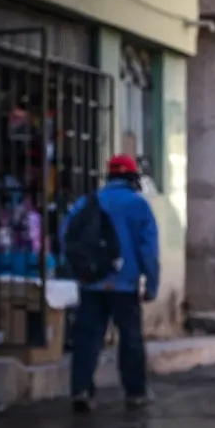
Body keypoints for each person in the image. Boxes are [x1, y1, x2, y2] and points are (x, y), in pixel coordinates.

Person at [66, 154, 159, 412]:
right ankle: (135, 392)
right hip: (124, 285)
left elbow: (68, 237)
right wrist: (151, 285)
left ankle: (81, 390)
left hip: (92, 283)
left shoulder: (87, 202)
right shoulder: (139, 205)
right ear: (132, 178)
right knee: (130, 337)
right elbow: (148, 250)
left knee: (87, 338)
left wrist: (79, 273)